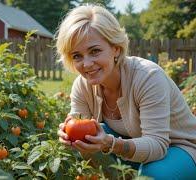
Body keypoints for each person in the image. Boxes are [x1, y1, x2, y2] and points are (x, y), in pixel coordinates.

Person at [55, 4, 196, 179]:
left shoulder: (148, 77)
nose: (87, 64)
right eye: (77, 55)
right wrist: (69, 136)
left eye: (95, 51)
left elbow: (158, 145)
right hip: (134, 150)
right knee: (94, 137)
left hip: (179, 148)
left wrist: (111, 144)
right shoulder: (82, 86)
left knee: (152, 176)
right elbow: (79, 131)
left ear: (116, 48)